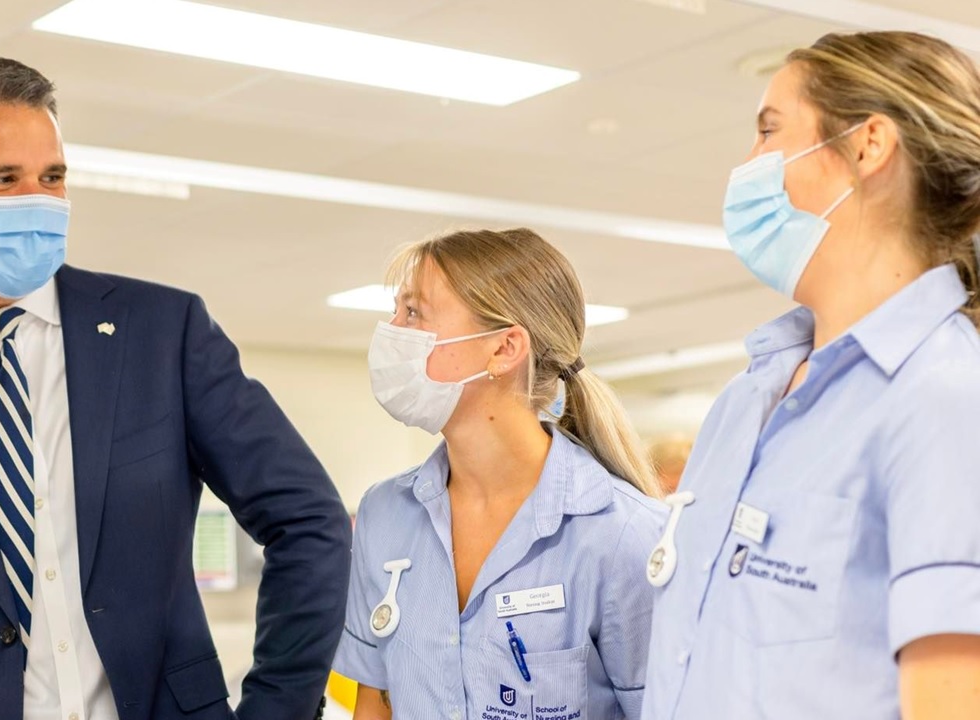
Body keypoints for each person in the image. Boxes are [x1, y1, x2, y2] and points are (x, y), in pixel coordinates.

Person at [0, 57, 351, 720]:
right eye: (2, 179)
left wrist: (274, 711)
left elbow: (310, 522)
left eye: (52, 176)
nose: (38, 199)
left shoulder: (164, 334)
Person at [642, 31, 980, 720]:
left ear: (867, 145)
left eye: (769, 131)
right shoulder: (748, 399)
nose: (750, 163)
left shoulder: (943, 400)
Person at [333, 228, 666, 719]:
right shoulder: (385, 516)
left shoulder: (623, 535)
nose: (393, 330)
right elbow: (374, 704)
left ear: (504, 349)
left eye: (414, 313)